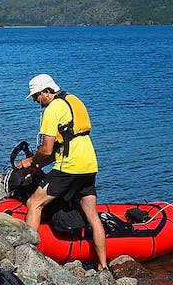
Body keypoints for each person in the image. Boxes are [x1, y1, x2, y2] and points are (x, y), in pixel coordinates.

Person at [15, 73, 108, 271]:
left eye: (35, 96)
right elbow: (60, 149)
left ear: (46, 92)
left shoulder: (52, 109)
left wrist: (30, 161)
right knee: (92, 214)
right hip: (89, 164)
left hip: (70, 167)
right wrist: (36, 166)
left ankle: (28, 259)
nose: (35, 100)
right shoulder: (73, 100)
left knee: (34, 203)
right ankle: (103, 265)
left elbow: (47, 149)